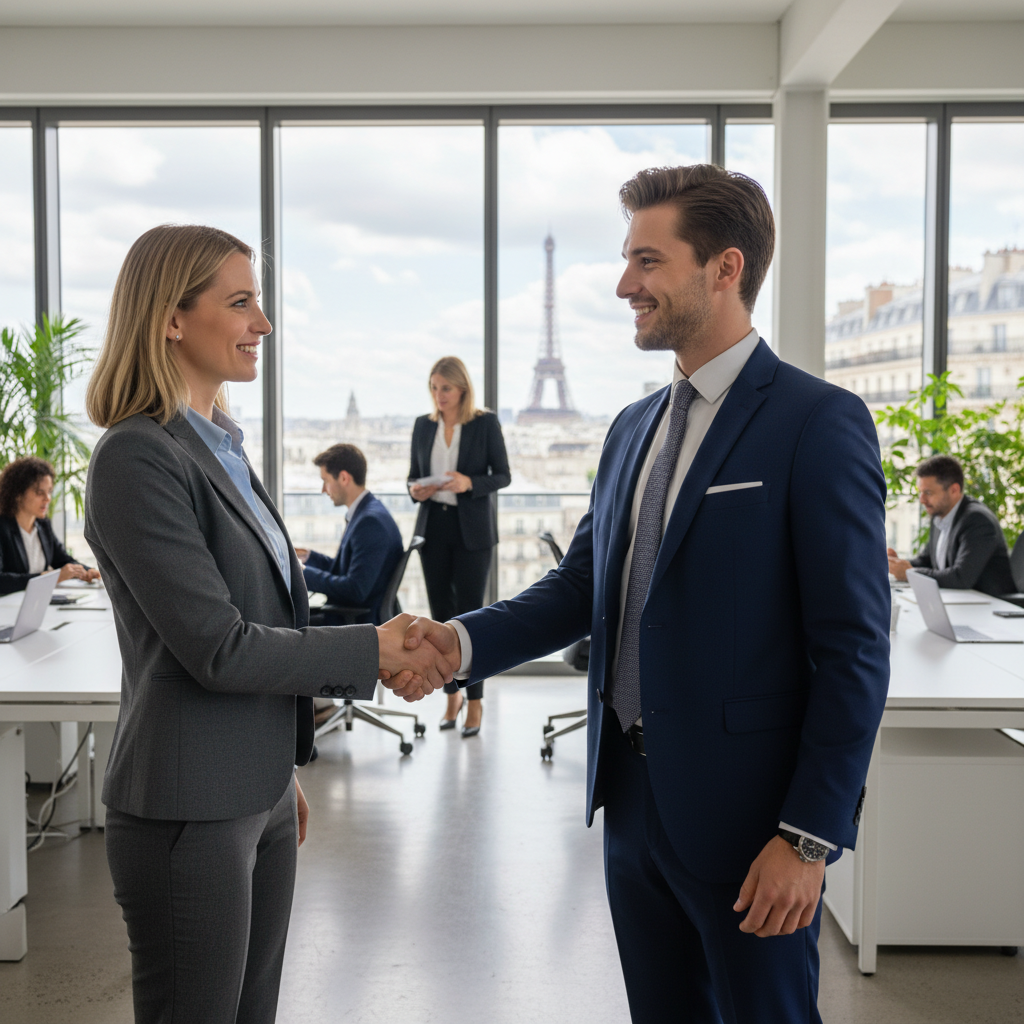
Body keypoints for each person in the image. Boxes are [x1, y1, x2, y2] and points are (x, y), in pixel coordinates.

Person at [401, 165, 890, 1023]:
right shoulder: (632, 427)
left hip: (753, 824)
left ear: (725, 268)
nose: (624, 284)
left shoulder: (818, 421)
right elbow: (580, 588)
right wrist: (460, 642)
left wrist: (808, 838)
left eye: (647, 262)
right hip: (628, 805)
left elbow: (853, 647)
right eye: (626, 260)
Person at [83, 224, 449, 1024]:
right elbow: (218, 645)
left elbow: (262, 613)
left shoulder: (223, 451)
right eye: (241, 302)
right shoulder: (136, 458)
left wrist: (278, 767)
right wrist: (373, 646)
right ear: (171, 319)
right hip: (189, 805)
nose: (265, 324)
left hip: (257, 790)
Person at [408, 355, 510, 737]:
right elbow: (411, 478)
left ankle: (476, 702)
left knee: (471, 618)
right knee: (440, 616)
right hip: (434, 528)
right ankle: (451, 694)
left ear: (462, 389)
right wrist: (416, 489)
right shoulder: (423, 426)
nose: (439, 396)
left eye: (445, 389)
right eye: (433, 388)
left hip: (473, 533)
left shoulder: (484, 423)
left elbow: (503, 475)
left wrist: (470, 483)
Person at [295, 443, 404, 625]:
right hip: (353, 617)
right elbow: (346, 569)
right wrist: (309, 557)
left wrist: (302, 574)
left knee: (284, 625)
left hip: (356, 624)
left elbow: (355, 589)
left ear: (344, 478)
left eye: (326, 481)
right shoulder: (366, 512)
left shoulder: (370, 523)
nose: (323, 490)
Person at [887, 454, 1014, 597]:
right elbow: (926, 561)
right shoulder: (940, 515)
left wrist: (909, 573)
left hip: (991, 607)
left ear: (954, 490)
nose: (922, 500)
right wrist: (898, 564)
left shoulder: (977, 520)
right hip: (960, 601)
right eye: (920, 493)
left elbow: (961, 577)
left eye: (928, 493)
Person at [0, 455, 99, 595]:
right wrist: (50, 578)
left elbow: (63, 560)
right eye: (39, 492)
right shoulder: (2, 527)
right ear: (18, 494)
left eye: (49, 492)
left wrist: (88, 571)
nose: (47, 498)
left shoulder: (42, 525)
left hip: (36, 603)